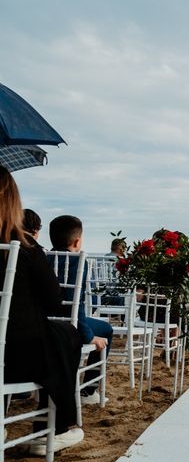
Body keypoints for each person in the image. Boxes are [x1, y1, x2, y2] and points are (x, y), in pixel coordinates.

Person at [0, 167, 84, 454]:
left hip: (12, 352)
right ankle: (54, 429)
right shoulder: (22, 245)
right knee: (65, 335)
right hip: (15, 358)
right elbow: (52, 302)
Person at [48, 215, 113, 405]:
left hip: (45, 320)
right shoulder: (78, 260)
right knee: (106, 330)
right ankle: (88, 391)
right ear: (77, 240)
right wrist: (88, 336)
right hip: (69, 322)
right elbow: (74, 303)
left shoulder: (44, 257)